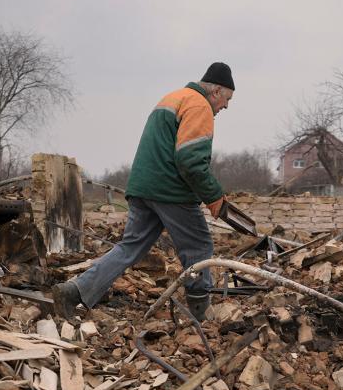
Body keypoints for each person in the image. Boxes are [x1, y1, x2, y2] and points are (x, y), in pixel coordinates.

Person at [51, 62, 235, 321]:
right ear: (216, 91)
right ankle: (201, 314)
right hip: (170, 190)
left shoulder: (173, 98)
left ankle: (74, 291)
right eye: (227, 99)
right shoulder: (199, 105)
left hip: (142, 187)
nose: (226, 106)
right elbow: (190, 161)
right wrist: (214, 196)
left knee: (130, 247)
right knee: (199, 247)